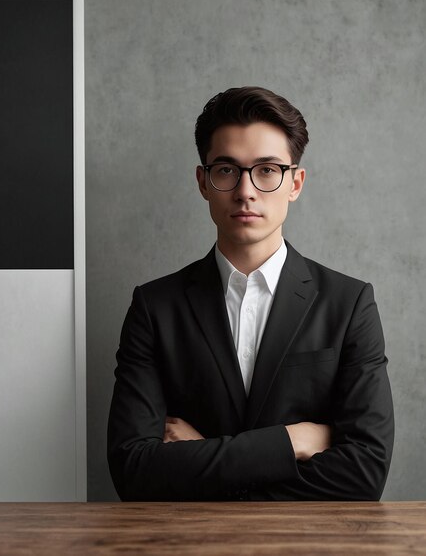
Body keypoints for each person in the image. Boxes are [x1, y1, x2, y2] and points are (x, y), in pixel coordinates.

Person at [107, 86, 394, 501]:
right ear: (203, 182)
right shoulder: (155, 307)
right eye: (226, 170)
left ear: (295, 182)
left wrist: (203, 459)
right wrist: (292, 441)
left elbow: (364, 474)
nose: (246, 191)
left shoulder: (349, 304)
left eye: (267, 170)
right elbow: (133, 472)